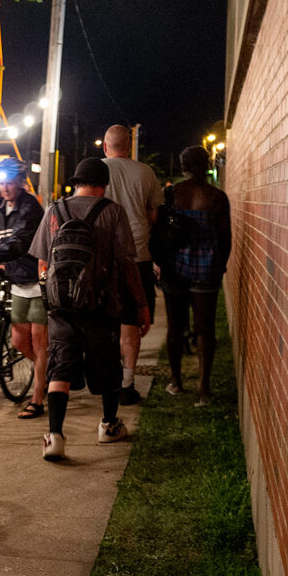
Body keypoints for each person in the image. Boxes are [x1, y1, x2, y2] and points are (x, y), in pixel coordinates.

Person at [29, 158, 151, 461]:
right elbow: (126, 264)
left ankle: (55, 435)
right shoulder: (113, 212)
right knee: (108, 365)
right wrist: (141, 305)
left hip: (61, 308)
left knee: (61, 366)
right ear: (104, 184)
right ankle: (108, 426)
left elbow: (42, 262)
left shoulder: (54, 210)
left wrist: (55, 294)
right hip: (101, 306)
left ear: (76, 181)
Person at [161, 145, 231, 406]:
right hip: (206, 267)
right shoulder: (217, 197)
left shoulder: (171, 194)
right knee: (205, 328)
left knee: (175, 326)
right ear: (206, 165)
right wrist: (220, 265)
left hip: (175, 267)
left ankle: (176, 382)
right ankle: (204, 388)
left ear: (184, 166)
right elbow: (226, 238)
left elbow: (160, 231)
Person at [0, 157, 48, 419]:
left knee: (40, 342)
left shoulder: (30, 208)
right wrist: (2, 266)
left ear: (21, 182)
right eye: (2, 182)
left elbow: (19, 241)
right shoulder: (2, 207)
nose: (5, 187)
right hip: (18, 281)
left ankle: (38, 398)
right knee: (19, 342)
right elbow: (5, 242)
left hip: (39, 281)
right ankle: (49, 373)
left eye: (10, 182)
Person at [101, 125, 162, 405]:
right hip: (137, 256)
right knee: (131, 322)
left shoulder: (95, 170)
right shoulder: (145, 172)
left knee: (104, 321)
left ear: (104, 146)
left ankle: (105, 379)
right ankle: (127, 384)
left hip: (103, 258)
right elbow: (153, 216)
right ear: (129, 144)